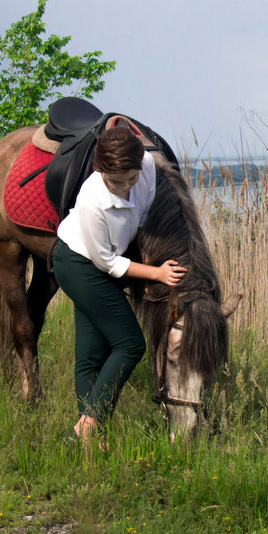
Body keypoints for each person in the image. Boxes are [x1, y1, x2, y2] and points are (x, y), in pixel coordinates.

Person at [52, 123, 186, 448]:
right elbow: (107, 263)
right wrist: (156, 274)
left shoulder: (148, 171)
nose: (124, 187)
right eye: (116, 181)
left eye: (131, 178)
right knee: (129, 345)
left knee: (90, 355)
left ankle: (88, 439)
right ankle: (91, 423)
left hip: (97, 265)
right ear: (101, 171)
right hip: (78, 265)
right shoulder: (91, 199)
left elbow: (144, 220)